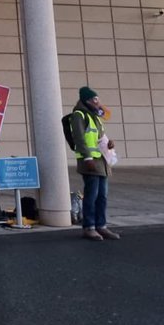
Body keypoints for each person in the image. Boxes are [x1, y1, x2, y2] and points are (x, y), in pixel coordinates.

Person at [71, 86, 119, 241]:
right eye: (95, 100)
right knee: (91, 195)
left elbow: (99, 136)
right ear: (87, 100)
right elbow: (79, 139)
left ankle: (101, 225)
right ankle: (89, 227)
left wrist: (109, 143)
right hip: (90, 161)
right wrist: (87, 158)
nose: (98, 103)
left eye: (98, 99)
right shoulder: (79, 115)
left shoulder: (95, 116)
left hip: (102, 161)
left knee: (102, 196)